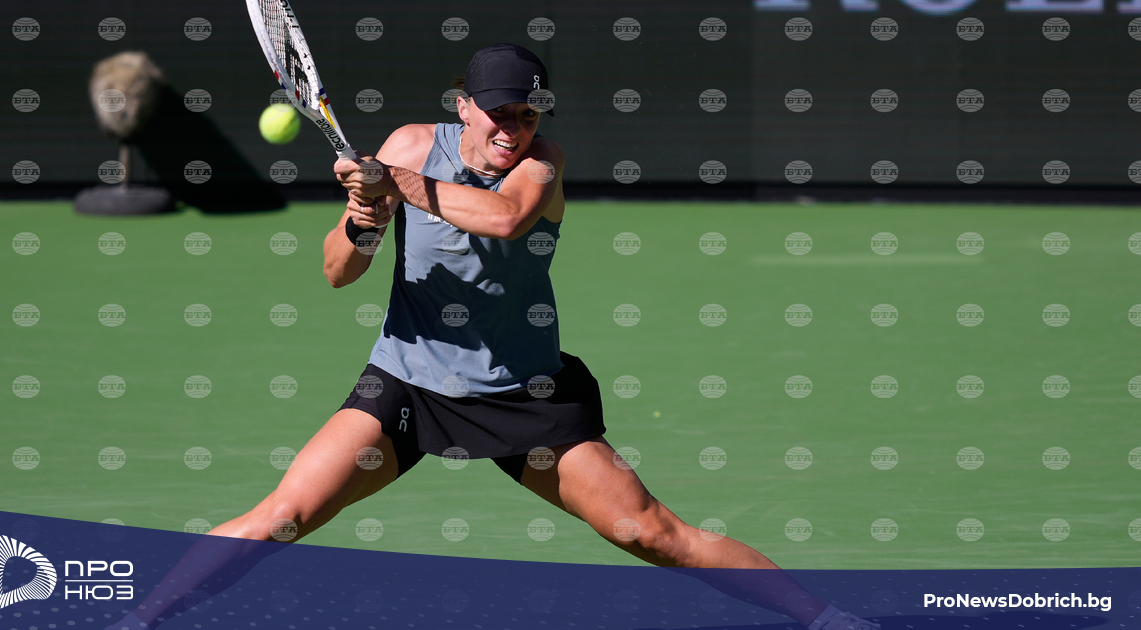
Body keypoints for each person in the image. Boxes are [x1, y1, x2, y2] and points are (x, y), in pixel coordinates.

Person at [111, 43, 878, 630]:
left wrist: (390, 183)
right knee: (285, 514)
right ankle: (139, 620)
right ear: (464, 107)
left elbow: (505, 219)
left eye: (528, 115)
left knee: (653, 534)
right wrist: (364, 220)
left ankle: (826, 619)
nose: (515, 129)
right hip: (407, 384)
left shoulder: (541, 166)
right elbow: (338, 272)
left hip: (525, 394)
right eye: (500, 113)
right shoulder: (411, 147)